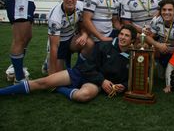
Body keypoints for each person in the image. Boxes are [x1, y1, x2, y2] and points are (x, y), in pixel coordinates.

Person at [0, 25, 137, 102]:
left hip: (96, 83)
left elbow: (129, 79)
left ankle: (58, 88)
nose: (122, 37)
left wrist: (122, 86)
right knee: (42, 82)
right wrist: (102, 81)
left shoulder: (132, 57)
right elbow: (88, 66)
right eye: (121, 34)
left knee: (82, 96)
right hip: (83, 73)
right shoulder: (104, 46)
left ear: (132, 41)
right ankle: (2, 92)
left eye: (126, 36)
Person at [47, 0, 94, 74]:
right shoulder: (55, 17)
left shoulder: (81, 6)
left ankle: (78, 68)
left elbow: (83, 24)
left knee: (89, 43)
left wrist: (84, 35)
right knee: (59, 76)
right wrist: (52, 75)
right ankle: (48, 64)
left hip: (72, 38)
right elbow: (54, 47)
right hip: (59, 42)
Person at [145, 0, 174, 78]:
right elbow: (147, 37)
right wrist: (158, 45)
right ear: (160, 11)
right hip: (161, 50)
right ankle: (145, 74)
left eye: (170, 10)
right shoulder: (156, 20)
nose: (166, 12)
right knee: (144, 46)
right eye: (164, 10)